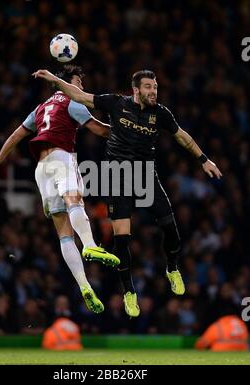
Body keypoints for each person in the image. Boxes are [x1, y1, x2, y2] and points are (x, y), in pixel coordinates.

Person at [33, 68, 222, 317]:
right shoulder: (115, 102)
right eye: (148, 87)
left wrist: (204, 159)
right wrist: (57, 81)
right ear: (136, 89)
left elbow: (183, 137)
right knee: (122, 239)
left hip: (145, 176)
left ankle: (172, 267)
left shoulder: (161, 113)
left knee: (171, 230)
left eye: (155, 87)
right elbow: (80, 96)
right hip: (115, 176)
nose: (153, 92)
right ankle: (129, 293)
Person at [0, 65, 120, 314]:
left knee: (63, 232)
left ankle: (84, 285)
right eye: (78, 82)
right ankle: (89, 244)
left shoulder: (40, 107)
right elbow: (98, 129)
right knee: (75, 202)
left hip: (41, 169)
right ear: (66, 83)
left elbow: (16, 135)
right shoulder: (72, 101)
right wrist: (127, 132)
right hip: (62, 158)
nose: (81, 88)